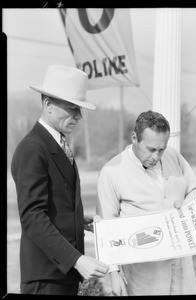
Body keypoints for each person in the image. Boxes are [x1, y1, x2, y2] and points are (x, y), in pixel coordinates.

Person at [11, 65, 109, 295]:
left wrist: (78, 221)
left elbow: (54, 201)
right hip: (46, 277)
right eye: (72, 108)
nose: (78, 116)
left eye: (80, 109)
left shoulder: (56, 144)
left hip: (62, 275)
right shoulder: (33, 148)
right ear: (48, 105)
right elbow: (33, 217)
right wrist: (77, 259)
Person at [96, 110, 196, 296]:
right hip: (144, 274)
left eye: (161, 149)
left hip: (182, 265)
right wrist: (114, 275)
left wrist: (187, 205)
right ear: (134, 138)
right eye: (151, 149)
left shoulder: (174, 155)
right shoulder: (111, 172)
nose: (157, 156)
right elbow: (106, 229)